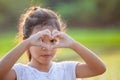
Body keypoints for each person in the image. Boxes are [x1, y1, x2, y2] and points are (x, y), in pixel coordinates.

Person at [0, 6, 106, 80]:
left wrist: (73, 44)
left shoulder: (67, 69)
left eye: (52, 41)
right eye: (40, 40)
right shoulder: (20, 72)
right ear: (27, 40)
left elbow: (100, 69)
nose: (47, 47)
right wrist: (26, 44)